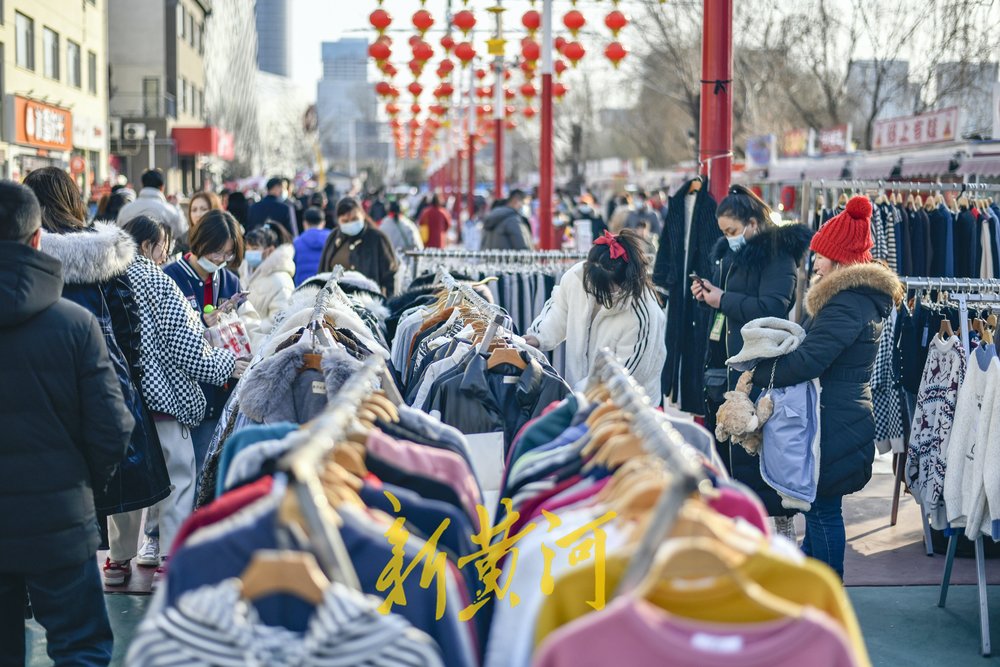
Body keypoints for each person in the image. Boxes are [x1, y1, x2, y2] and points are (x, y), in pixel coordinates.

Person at [0, 181, 132, 667]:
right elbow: (113, 429)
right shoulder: (76, 325)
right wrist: (82, 488)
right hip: (59, 520)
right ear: (38, 239)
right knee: (81, 648)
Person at [750, 196, 903, 578]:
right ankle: (812, 580)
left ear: (838, 259)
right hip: (840, 413)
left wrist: (762, 371)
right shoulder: (853, 299)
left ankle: (827, 592)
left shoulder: (846, 303)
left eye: (819, 255)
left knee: (822, 510)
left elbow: (810, 360)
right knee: (819, 508)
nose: (813, 263)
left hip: (834, 418)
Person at [26, 167, 171, 564]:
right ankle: (121, 558)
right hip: (104, 376)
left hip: (39, 384)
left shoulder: (25, 258)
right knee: (120, 466)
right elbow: (128, 326)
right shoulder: (105, 253)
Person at [107, 216, 242, 576]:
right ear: (149, 246)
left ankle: (118, 560)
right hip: (163, 403)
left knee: (125, 484)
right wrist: (228, 362)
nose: (166, 254)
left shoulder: (102, 279)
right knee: (177, 480)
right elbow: (189, 351)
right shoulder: (159, 282)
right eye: (163, 246)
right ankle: (170, 558)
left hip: (116, 401)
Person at [691, 185, 813, 533]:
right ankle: (741, 523)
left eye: (732, 231)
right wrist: (707, 296)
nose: (728, 238)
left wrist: (723, 299)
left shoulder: (777, 254)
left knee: (757, 450)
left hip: (760, 367)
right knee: (732, 451)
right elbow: (731, 300)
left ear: (753, 223)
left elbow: (774, 308)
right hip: (727, 366)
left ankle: (773, 527)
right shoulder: (733, 255)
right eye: (724, 233)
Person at [163, 210, 255, 475]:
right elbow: (169, 337)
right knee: (188, 476)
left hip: (227, 397)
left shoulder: (229, 281)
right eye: (217, 253)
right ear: (200, 241)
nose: (221, 260)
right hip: (188, 397)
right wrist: (202, 324)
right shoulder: (172, 278)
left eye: (227, 255)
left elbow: (252, 327)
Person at [524, 230, 666, 401]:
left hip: (628, 406)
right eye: (592, 285)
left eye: (605, 289)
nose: (596, 292)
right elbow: (559, 309)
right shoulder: (577, 277)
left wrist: (581, 394)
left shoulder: (644, 315)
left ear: (623, 283)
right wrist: (539, 336)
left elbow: (624, 374)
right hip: (581, 396)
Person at [318, 196, 398, 297]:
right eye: (345, 221)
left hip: (368, 301)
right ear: (338, 221)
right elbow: (323, 270)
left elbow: (390, 273)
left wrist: (389, 302)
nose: (350, 223)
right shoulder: (333, 237)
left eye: (354, 219)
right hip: (336, 301)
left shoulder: (377, 238)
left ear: (363, 215)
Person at [241, 222, 295, 338]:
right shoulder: (245, 273)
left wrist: (248, 329)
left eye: (255, 249)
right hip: (244, 341)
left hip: (262, 345)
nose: (249, 252)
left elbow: (279, 322)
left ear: (270, 250)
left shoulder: (281, 281)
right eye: (248, 248)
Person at [117, 168, 186, 241]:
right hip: (163, 251)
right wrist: (177, 207)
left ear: (143, 185)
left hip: (130, 251)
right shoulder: (170, 211)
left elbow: (118, 235)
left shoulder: (125, 209)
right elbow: (182, 234)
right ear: (162, 187)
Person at [293, 207, 333, 285]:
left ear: (304, 223)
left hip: (303, 287)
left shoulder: (296, 242)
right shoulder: (332, 239)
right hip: (328, 288)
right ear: (323, 223)